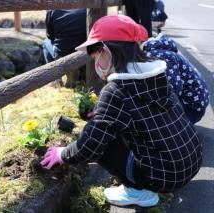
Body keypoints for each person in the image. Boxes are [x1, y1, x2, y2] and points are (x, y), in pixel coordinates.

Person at [41, 15, 202, 207]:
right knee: (110, 128)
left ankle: (138, 192)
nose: (95, 62)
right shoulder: (156, 74)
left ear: (107, 50)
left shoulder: (116, 89)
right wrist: (106, 114)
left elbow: (91, 144)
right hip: (190, 161)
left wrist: (63, 154)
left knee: (103, 142)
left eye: (95, 55)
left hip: (163, 177)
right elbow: (144, 114)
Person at [142, 33, 210, 123]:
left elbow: (174, 87)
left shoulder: (158, 55)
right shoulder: (159, 50)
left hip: (191, 105)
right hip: (196, 100)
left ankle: (181, 130)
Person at [43, 9, 87, 87]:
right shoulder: (86, 7)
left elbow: (50, 36)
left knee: (46, 43)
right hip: (83, 52)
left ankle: (55, 78)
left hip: (62, 53)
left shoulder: (52, 9)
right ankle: (81, 75)